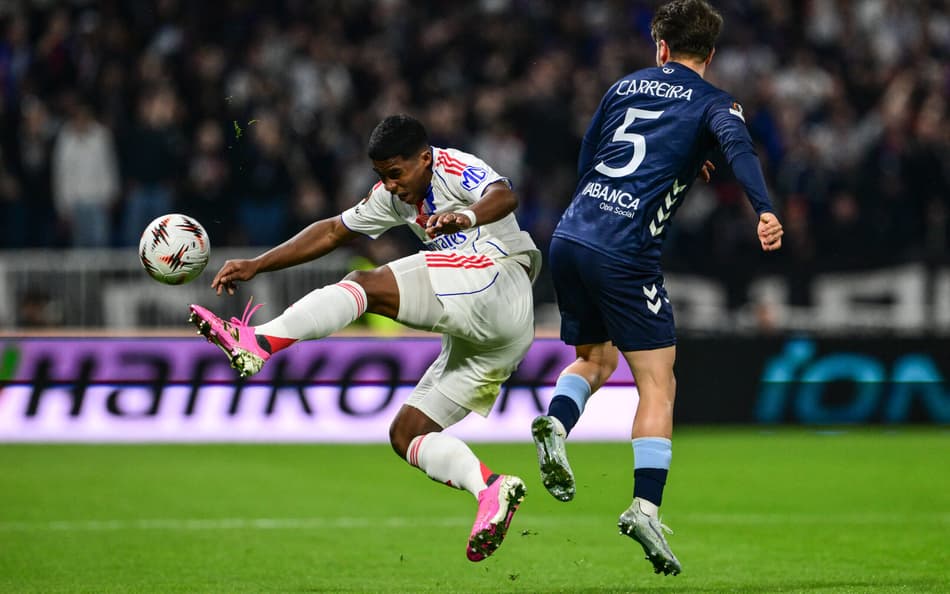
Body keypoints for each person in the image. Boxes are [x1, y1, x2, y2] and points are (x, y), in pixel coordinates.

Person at [188, 114, 540, 562]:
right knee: (408, 433)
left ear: (424, 159)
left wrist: (464, 216)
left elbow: (504, 194)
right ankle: (490, 489)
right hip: (498, 337)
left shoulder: (455, 167)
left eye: (396, 173)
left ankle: (259, 342)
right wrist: (259, 263)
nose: (390, 185)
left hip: (500, 278)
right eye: (381, 176)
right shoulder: (393, 198)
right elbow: (334, 230)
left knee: (365, 284)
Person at [530, 0, 783, 576]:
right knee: (658, 383)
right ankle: (645, 507)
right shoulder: (716, 103)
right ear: (710, 55)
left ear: (661, 47)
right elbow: (740, 148)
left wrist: (684, 163)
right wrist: (763, 209)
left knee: (594, 359)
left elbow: (591, 155)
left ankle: (556, 423)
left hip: (571, 235)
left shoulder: (623, 86)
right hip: (625, 250)